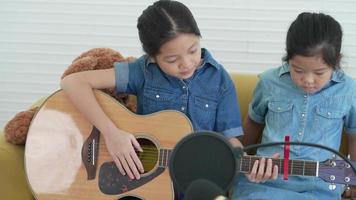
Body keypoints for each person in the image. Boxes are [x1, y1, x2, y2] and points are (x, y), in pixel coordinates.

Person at [60, 0, 244, 182]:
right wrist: (111, 134)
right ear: (153, 57)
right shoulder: (143, 71)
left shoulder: (220, 80)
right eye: (172, 60)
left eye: (192, 50)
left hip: (195, 182)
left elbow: (231, 141)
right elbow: (73, 82)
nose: (186, 63)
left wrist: (246, 164)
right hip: (141, 180)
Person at [232, 12, 356, 200]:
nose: (307, 80)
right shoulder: (269, 82)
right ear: (287, 58)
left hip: (319, 186)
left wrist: (352, 179)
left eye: (319, 72)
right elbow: (251, 128)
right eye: (297, 70)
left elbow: (354, 139)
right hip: (264, 182)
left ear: (336, 62)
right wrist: (241, 162)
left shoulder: (349, 90)